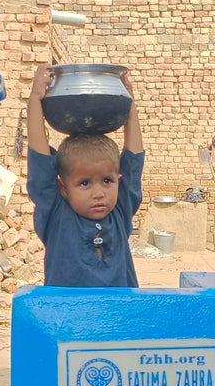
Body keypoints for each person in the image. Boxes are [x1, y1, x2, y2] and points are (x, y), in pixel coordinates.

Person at [26, 62, 144, 287]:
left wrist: (128, 101)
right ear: (63, 188)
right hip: (68, 320)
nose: (98, 193)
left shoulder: (120, 210)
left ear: (119, 182)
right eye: (84, 183)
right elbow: (40, 163)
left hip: (119, 319)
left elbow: (134, 160)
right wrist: (35, 99)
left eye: (107, 181)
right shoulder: (57, 215)